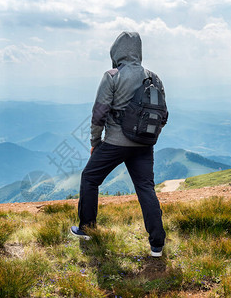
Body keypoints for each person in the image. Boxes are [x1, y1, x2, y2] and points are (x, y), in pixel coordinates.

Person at [70, 31, 167, 257]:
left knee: (90, 178)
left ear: (116, 51)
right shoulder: (154, 77)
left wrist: (95, 142)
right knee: (145, 188)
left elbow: (98, 114)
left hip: (114, 143)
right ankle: (157, 244)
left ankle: (86, 228)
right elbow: (163, 114)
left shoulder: (112, 76)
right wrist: (148, 138)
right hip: (144, 145)